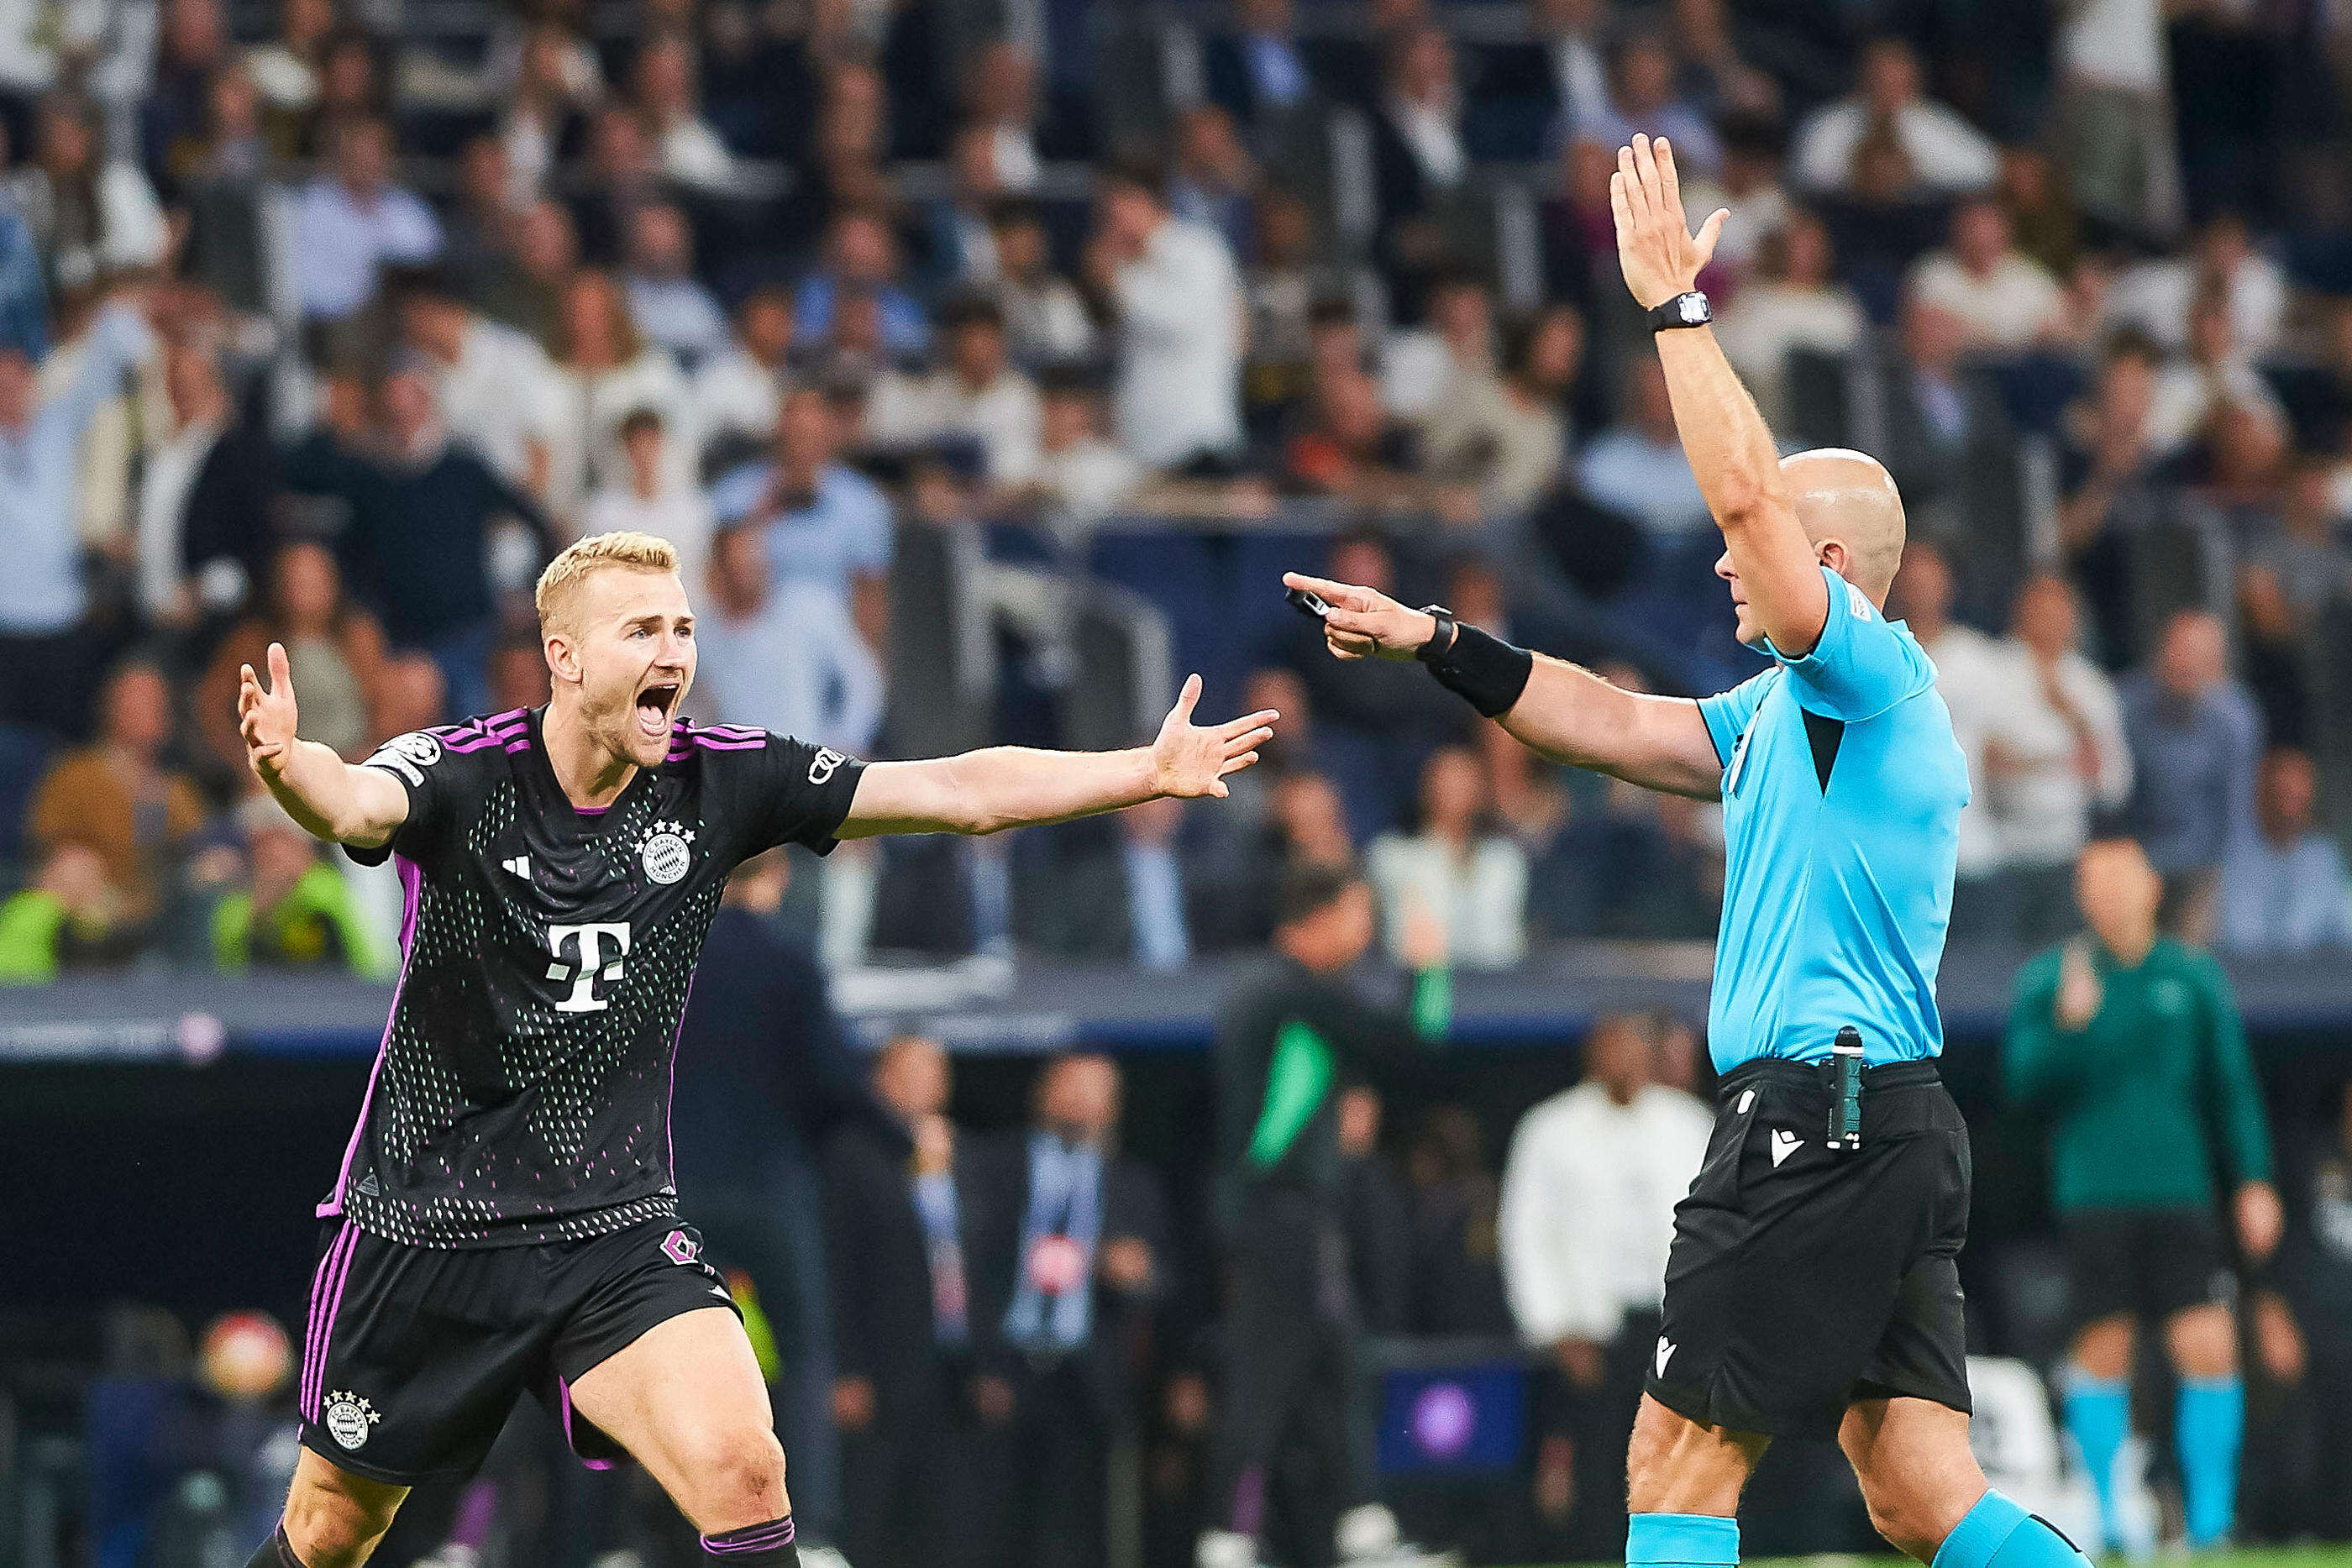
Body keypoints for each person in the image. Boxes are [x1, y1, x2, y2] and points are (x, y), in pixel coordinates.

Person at [1284, 134, 2093, 1568]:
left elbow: (1743, 505)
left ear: (1826, 569)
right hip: (1882, 1115)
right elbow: (1605, 722)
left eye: (1765, 553)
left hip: (1817, 1118)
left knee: (1674, 1459)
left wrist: (1675, 310)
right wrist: (1439, 643)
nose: (1724, 566)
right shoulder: (1780, 708)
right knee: (1918, 1493)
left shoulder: (1868, 682)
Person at [229, 529, 1277, 1568]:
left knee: (745, 1468)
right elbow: (353, 799)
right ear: (565, 656)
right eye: (642, 629)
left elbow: (956, 791)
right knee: (332, 1532)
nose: (675, 653)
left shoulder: (720, 781)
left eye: (683, 628)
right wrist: (288, 766)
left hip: (611, 1231)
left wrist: (1141, 769)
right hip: (428, 1227)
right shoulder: (459, 771)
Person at [2005, 836, 2281, 1552]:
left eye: (2119, 879)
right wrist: (2071, 1027)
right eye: (2091, 882)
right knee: (2102, 1350)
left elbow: (2232, 1089)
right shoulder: (2053, 978)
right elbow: (2023, 1085)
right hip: (2094, 1196)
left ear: (2151, 887)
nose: (2106, 894)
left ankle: (2211, 1523)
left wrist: (2253, 1179)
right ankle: (2108, 1518)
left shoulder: (2191, 978)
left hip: (2180, 1195)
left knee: (2209, 1346)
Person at [1198, 860, 1450, 1568]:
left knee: (1328, 1368)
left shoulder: (1272, 991)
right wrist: (1428, 971)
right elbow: (1413, 1043)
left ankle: (1357, 1528)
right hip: (1280, 1215)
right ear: (1324, 915)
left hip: (1279, 1215)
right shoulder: (1291, 989)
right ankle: (1228, 1538)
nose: (1367, 934)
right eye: (1360, 915)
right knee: (1269, 1375)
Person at [673, 847, 904, 1552]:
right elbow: (834, 1080)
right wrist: (903, 1137)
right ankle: (812, 1535)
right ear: (774, 877)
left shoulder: (670, 952)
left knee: (657, 1365)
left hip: (674, 1196)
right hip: (770, 1192)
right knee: (804, 1354)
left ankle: (645, 1536)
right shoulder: (790, 958)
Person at [1499, 1012, 1713, 1557]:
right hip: (1591, 1329)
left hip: (1674, 1323)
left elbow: (1720, 1226)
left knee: (1679, 1458)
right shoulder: (1550, 1128)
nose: (1625, 1058)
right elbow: (1526, 1233)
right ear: (1592, 1054)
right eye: (1612, 1046)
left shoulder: (1688, 1124)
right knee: (1597, 1464)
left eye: (1636, 1045)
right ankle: (1593, 1554)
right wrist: (1554, 1326)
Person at [965, 1053, 1169, 1568]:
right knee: (990, 1526)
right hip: (1005, 1367)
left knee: (1078, 1534)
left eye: (1096, 1090)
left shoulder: (1133, 1183)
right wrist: (983, 1363)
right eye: (1071, 1085)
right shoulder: (989, 1163)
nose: (1081, 1100)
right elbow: (964, 1268)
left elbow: (1165, 1285)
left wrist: (1137, 1274)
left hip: (1089, 1378)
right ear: (1043, 1092)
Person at [823, 1034, 986, 1568]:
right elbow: (837, 1266)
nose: (922, 1085)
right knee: (870, 1513)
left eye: (932, 1072)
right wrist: (846, 1368)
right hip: (881, 1369)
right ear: (879, 1081)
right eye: (908, 1072)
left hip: (954, 1368)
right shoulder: (852, 1153)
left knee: (949, 1518)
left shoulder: (966, 1155)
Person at [2220, 747, 2352, 956]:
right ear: (2260, 796)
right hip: (2245, 978)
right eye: (2280, 795)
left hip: (2311, 980)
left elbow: (2345, 929)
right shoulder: (2231, 856)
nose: (2287, 808)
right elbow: (2235, 936)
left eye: (2297, 797)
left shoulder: (2324, 858)